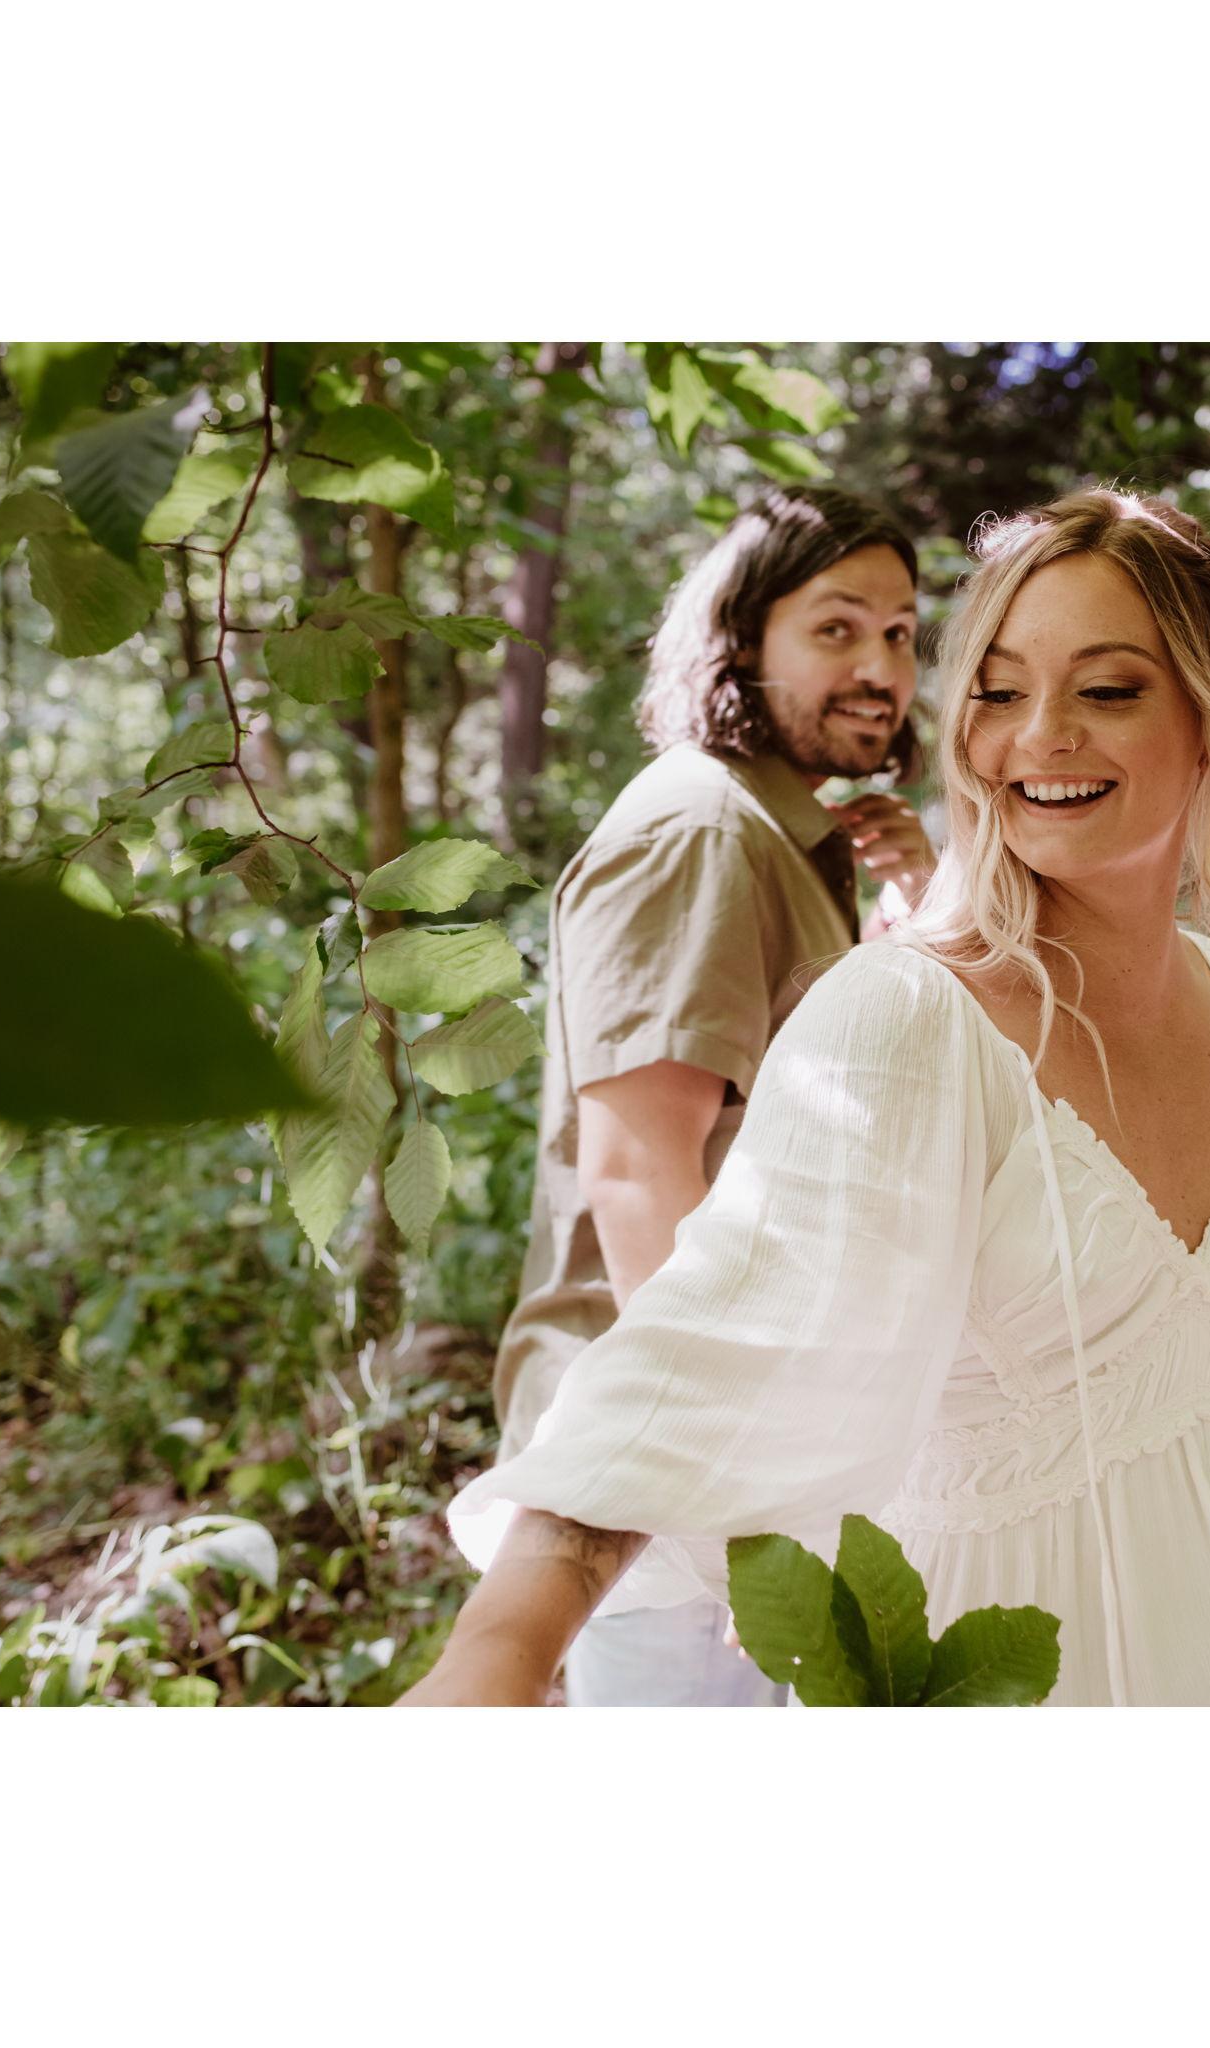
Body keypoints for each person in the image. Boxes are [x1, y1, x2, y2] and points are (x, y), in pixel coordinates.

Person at [407, 488, 1210, 1708]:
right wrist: (497, 1650)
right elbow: (690, 1359)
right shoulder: (906, 1015)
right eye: (998, 690)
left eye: (1106, 688)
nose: (1040, 736)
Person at [484, 484, 936, 1707]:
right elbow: (638, 1174)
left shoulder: (787, 837)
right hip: (671, 1472)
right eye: (835, 627)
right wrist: (740, 1496)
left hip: (760, 1436)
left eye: (899, 632)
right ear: (741, 638)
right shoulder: (700, 829)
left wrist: (917, 902)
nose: (880, 668)